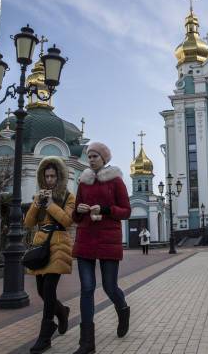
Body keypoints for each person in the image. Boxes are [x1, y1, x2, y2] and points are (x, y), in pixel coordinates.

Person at [71, 142, 132, 354]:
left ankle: (122, 309)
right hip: (86, 238)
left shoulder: (116, 181)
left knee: (109, 286)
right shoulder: (83, 182)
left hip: (108, 239)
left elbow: (126, 211)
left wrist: (105, 209)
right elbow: (75, 215)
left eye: (95, 156)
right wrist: (78, 210)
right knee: (87, 288)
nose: (91, 159)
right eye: (89, 156)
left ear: (104, 159)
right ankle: (87, 343)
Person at [24, 156, 75, 354]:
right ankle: (62, 312)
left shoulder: (68, 196)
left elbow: (67, 221)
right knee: (41, 291)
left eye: (53, 176)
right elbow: (28, 223)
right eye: (47, 176)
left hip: (59, 245)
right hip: (40, 246)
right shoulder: (40, 196)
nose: (50, 180)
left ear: (60, 177)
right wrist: (38, 203)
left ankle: (45, 337)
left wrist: (51, 204)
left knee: (49, 288)